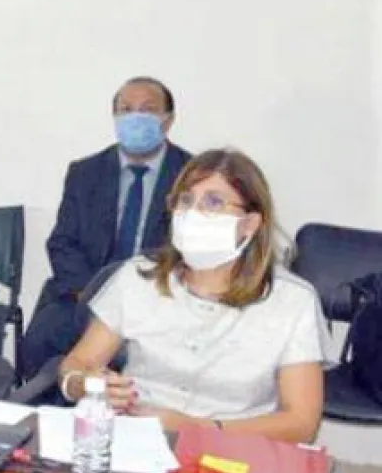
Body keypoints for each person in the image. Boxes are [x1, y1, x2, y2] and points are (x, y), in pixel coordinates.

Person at [58, 149, 324, 443]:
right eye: (185, 201)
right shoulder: (137, 278)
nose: (193, 213)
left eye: (213, 202)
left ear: (249, 224)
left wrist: (197, 429)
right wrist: (82, 385)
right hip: (138, 436)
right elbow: (78, 363)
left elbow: (301, 423)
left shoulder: (293, 302)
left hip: (236, 448)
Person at [21, 76, 192, 378]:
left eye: (147, 109)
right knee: (40, 340)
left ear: (168, 120)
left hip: (159, 301)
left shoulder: (192, 176)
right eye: (126, 109)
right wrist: (95, 298)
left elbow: (189, 251)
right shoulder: (85, 172)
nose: (135, 117)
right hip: (84, 295)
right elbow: (62, 243)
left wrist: (143, 300)